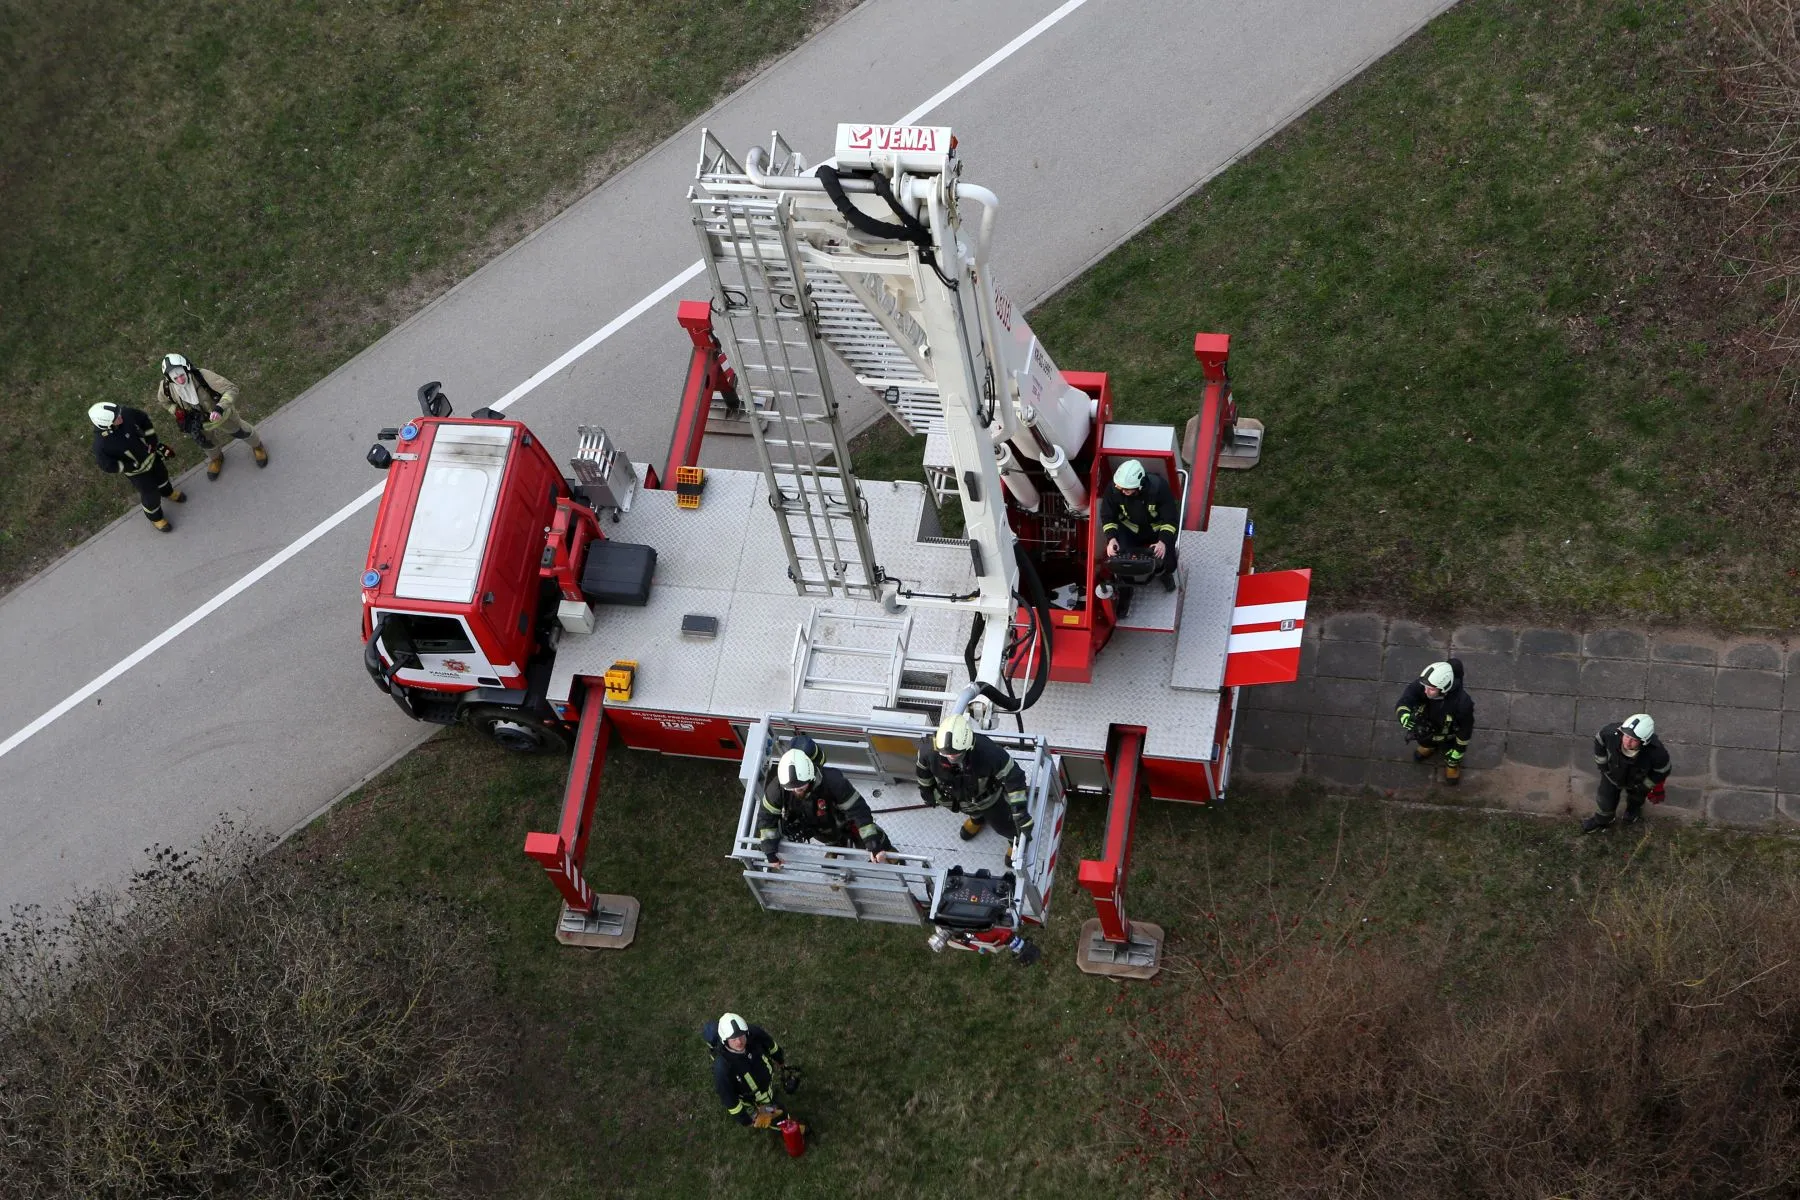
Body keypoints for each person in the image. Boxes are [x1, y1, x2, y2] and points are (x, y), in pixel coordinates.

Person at [756, 735, 895, 867]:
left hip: (843, 819)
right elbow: (766, 817)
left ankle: (890, 853)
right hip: (817, 826)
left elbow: (859, 812)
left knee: (871, 835)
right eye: (792, 789)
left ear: (810, 776)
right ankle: (836, 848)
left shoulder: (834, 782)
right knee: (828, 838)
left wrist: (874, 845)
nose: (796, 791)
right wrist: (770, 851)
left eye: (801, 787)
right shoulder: (777, 789)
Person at [916, 712, 1033, 843]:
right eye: (946, 753)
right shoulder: (928, 751)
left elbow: (1014, 777)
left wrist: (1019, 811)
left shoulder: (989, 753)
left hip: (988, 801)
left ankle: (1014, 840)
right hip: (956, 800)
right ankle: (977, 820)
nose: (951, 757)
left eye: (957, 753)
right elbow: (923, 775)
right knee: (971, 812)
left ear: (969, 744)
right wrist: (926, 793)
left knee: (1003, 826)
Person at [155, 353, 267, 481]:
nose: (180, 380)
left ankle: (257, 446)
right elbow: (164, 402)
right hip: (200, 424)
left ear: (186, 370)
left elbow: (231, 389)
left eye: (181, 375)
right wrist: (176, 411)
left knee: (241, 431)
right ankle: (216, 458)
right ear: (169, 379)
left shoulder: (203, 376)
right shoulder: (166, 388)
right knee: (207, 443)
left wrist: (220, 408)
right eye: (175, 378)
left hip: (222, 416)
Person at [90, 402, 184, 532]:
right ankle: (155, 517)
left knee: (163, 476)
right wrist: (130, 466)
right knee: (150, 495)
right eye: (116, 418)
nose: (120, 417)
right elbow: (107, 465)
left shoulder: (125, 413)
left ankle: (168, 492)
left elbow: (144, 419)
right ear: (105, 423)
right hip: (137, 472)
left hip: (152, 457)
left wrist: (152, 440)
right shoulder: (101, 445)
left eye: (119, 413)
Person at [707, 1012, 803, 1138]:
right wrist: (748, 1119)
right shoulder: (722, 1068)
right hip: (753, 1098)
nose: (739, 1042)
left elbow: (771, 1045)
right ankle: (791, 1130)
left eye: (741, 1036)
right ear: (725, 1041)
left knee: (775, 1108)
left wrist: (780, 1060)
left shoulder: (753, 1033)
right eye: (734, 1039)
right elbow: (729, 1100)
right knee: (778, 1115)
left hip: (765, 1085)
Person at [1099, 458, 1180, 592]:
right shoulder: (1114, 489)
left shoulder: (1159, 488)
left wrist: (1163, 542)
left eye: (1126, 489)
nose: (1122, 491)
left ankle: (1164, 573)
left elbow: (1170, 519)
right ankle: (1127, 588)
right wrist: (1111, 539)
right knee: (1119, 559)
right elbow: (1107, 516)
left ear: (1140, 484)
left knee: (1168, 560)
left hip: (1156, 530)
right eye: (1120, 487)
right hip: (1129, 530)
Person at [1582, 713, 1671, 832]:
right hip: (1611, 776)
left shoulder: (1657, 752)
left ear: (1644, 741)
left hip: (1637, 782)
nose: (1627, 742)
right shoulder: (1609, 734)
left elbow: (1662, 771)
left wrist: (1645, 785)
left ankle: (1632, 812)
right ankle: (1603, 820)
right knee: (1605, 799)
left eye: (1634, 740)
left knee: (1636, 798)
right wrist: (1603, 767)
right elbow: (1599, 741)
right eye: (1626, 736)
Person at [1394, 659, 1475, 785]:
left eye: (1431, 689)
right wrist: (1403, 714)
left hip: (1449, 734)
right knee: (1425, 740)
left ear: (1444, 688)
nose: (1425, 691)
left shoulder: (1463, 704)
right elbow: (1406, 700)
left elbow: (1465, 729)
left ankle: (1452, 766)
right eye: (1425, 687)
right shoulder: (1424, 685)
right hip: (1427, 726)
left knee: (1451, 754)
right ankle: (1429, 747)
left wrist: (1458, 750)